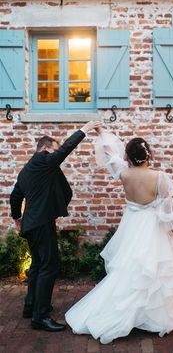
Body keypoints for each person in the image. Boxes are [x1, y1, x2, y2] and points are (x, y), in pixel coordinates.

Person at [65, 127, 173, 344]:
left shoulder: (123, 172)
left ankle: (126, 312)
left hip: (132, 225)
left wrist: (102, 132)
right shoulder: (159, 177)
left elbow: (108, 153)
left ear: (128, 156)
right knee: (153, 269)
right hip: (152, 227)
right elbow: (166, 211)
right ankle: (153, 317)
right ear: (148, 155)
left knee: (129, 267)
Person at [10, 120, 102, 332]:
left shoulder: (26, 170)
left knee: (37, 266)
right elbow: (65, 151)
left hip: (31, 224)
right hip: (41, 223)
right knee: (49, 267)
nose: (56, 153)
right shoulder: (43, 160)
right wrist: (84, 130)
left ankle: (31, 306)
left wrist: (17, 219)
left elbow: (15, 196)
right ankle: (40, 317)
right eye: (54, 149)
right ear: (44, 149)